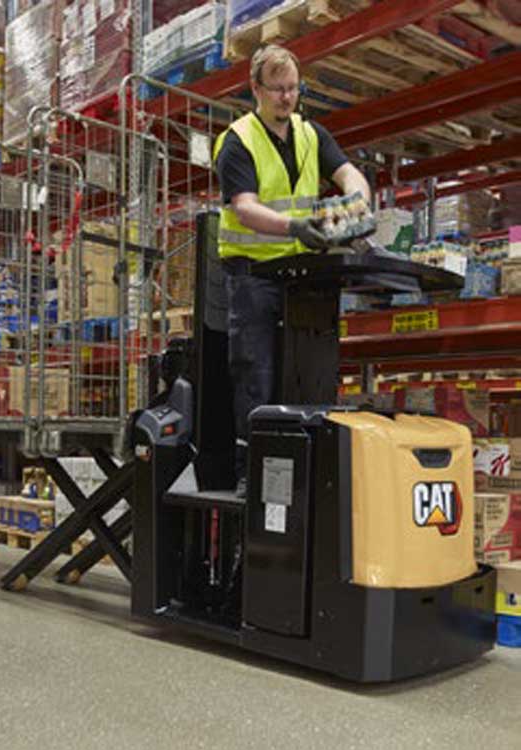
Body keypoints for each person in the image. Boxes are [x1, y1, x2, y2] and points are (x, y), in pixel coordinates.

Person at [213, 44, 372, 497]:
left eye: (293, 88)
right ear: (255, 89)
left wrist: (355, 204)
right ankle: (252, 473)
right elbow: (245, 208)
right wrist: (296, 227)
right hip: (254, 276)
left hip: (303, 275)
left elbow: (349, 174)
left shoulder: (310, 134)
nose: (287, 97)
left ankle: (308, 472)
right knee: (256, 376)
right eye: (277, 89)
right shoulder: (237, 141)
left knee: (309, 373)